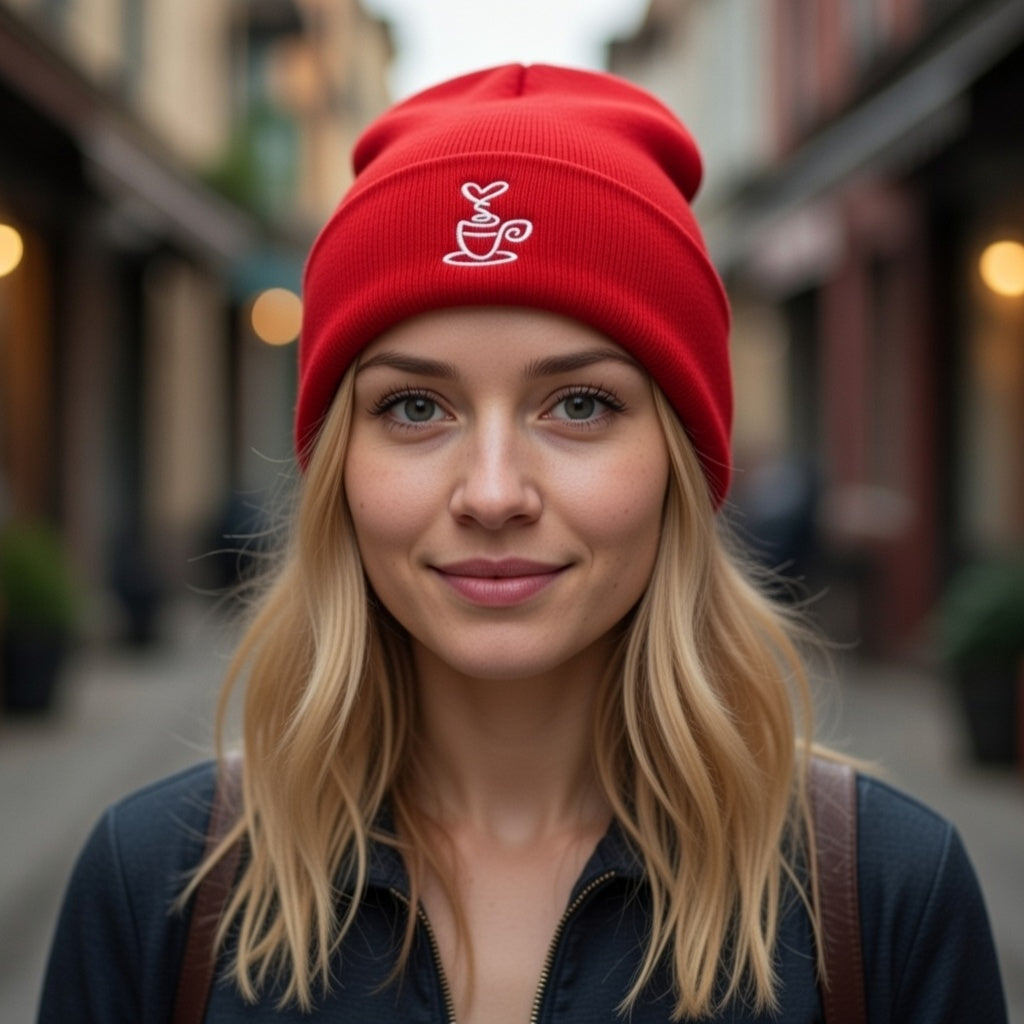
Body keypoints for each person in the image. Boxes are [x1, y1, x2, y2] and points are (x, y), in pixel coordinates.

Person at [38, 64, 1006, 1023]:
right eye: (415, 406)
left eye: (579, 404)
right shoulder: (158, 887)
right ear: (337, 465)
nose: (493, 492)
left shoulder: (881, 899)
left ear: (680, 456)